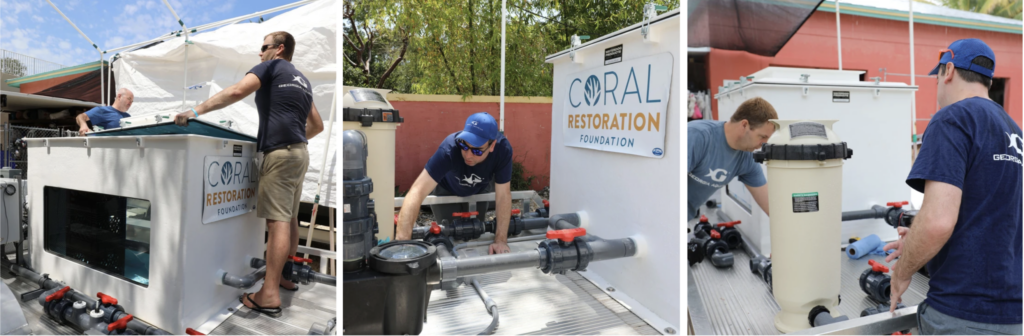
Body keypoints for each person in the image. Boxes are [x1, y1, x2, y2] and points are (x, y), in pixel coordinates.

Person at [173, 31, 324, 317]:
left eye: (264, 47)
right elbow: (317, 126)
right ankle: (285, 276)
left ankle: (269, 294)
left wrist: (195, 111)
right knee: (290, 217)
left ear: (279, 49)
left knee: (277, 223)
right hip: (300, 154)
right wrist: (293, 138)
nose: (259, 52)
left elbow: (236, 91)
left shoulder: (271, 67)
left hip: (279, 155)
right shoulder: (302, 80)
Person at [884, 38, 1021, 334]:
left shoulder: (953, 119)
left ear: (948, 71)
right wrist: (917, 243)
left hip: (963, 312)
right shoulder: (1015, 132)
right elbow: (996, 220)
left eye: (936, 78)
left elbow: (937, 222)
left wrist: (902, 273)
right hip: (1013, 314)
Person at [394, 112, 514, 255]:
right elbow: (417, 191)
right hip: (446, 189)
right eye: (464, 146)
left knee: (475, 236)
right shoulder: (450, 148)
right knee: (448, 238)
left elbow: (503, 195)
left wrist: (501, 240)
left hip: (479, 190)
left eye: (477, 151)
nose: (468, 155)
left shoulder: (502, 150)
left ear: (492, 145)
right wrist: (402, 245)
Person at [687, 97, 776, 220]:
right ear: (744, 125)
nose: (764, 143)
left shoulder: (746, 159)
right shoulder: (696, 136)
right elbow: (668, 186)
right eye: (762, 137)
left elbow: (771, 207)